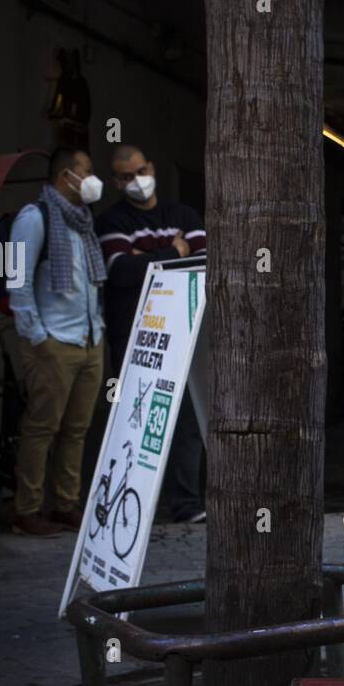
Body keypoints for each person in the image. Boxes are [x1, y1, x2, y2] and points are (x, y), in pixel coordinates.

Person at [95, 144, 206, 523]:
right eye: (125, 177)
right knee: (134, 423)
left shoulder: (183, 213)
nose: (135, 181)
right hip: (135, 339)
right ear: (115, 181)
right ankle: (132, 507)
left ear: (152, 168)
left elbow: (205, 258)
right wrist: (173, 252)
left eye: (140, 171)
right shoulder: (111, 221)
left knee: (186, 422)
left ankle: (186, 504)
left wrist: (149, 259)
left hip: (184, 333)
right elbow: (121, 271)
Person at [7, 147, 106, 537]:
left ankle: (66, 504)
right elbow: (18, 281)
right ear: (67, 176)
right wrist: (38, 339)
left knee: (77, 429)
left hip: (88, 340)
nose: (92, 178)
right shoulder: (34, 217)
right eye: (88, 170)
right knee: (42, 428)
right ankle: (26, 511)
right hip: (53, 342)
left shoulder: (82, 221)